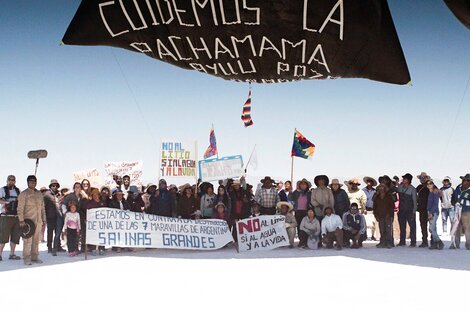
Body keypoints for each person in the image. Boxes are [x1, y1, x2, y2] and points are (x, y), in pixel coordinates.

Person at [17, 175, 46, 265]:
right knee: (27, 240)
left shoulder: (39, 193)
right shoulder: (24, 194)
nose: (33, 182)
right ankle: (26, 258)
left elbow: (42, 208)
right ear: (28, 182)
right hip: (28, 221)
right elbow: (20, 208)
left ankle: (34, 257)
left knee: (36, 240)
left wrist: (43, 219)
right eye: (31, 181)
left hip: (38, 220)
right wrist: (21, 220)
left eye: (34, 181)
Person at [0, 175, 21, 261]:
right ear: (7, 180)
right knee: (3, 237)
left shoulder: (18, 190)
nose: (11, 181)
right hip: (5, 216)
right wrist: (7, 203)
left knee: (15, 236)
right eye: (10, 180)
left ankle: (12, 254)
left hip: (16, 216)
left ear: (15, 181)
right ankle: (0, 255)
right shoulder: (2, 189)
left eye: (13, 180)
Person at [44, 179, 65, 255]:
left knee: (58, 232)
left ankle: (57, 246)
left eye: (56, 185)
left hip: (58, 216)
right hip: (50, 216)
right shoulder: (47, 194)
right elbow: (44, 206)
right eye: (53, 185)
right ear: (50, 186)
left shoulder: (59, 194)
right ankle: (49, 247)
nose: (55, 187)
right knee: (50, 232)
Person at [397, 173, 417, 247]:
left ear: (408, 180)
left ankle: (413, 242)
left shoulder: (412, 189)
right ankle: (402, 241)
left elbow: (415, 200)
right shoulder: (400, 187)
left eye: (405, 179)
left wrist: (414, 211)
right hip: (401, 210)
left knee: (412, 226)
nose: (403, 180)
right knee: (402, 226)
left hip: (410, 210)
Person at [373, 184, 395, 248]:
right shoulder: (376, 197)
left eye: (382, 187)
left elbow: (392, 206)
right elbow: (375, 207)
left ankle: (389, 243)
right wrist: (376, 215)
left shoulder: (389, 196)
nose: (381, 189)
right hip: (380, 216)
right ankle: (382, 242)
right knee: (381, 230)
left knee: (388, 230)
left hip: (388, 216)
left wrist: (389, 214)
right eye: (380, 187)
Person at [453, 174, 470, 250]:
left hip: (467, 211)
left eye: (465, 180)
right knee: (456, 228)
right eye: (463, 179)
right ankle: (456, 244)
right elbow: (453, 198)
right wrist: (454, 203)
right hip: (457, 211)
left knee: (467, 228)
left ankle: (468, 244)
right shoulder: (458, 188)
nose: (463, 181)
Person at [426, 180, 444, 250]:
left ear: (433, 184)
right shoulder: (430, 192)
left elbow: (435, 204)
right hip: (429, 212)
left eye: (430, 184)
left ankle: (439, 242)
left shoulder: (435, 192)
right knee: (433, 228)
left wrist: (431, 213)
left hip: (434, 212)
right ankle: (435, 244)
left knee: (431, 229)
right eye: (427, 184)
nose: (429, 185)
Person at [416, 172, 431, 247]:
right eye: (421, 178)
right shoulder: (419, 187)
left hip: (430, 209)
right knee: (423, 226)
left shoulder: (430, 186)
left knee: (432, 227)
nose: (422, 179)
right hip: (422, 209)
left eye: (423, 178)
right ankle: (424, 241)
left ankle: (433, 242)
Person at [363, 176, 378, 241]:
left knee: (373, 223)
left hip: (373, 209)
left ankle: (373, 236)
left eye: (370, 182)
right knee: (365, 223)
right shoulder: (363, 190)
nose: (369, 183)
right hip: (366, 209)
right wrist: (364, 208)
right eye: (368, 182)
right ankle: (365, 235)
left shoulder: (375, 191)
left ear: (372, 183)